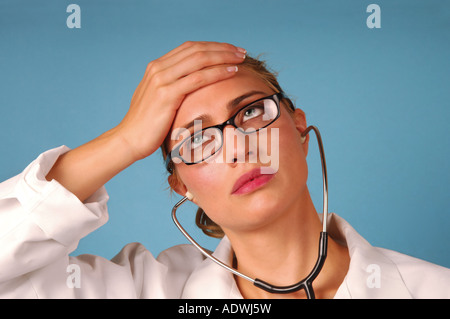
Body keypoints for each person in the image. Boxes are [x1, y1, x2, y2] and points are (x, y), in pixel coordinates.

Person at [0, 41, 448, 299]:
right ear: (182, 185)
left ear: (299, 128)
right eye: (196, 139)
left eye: (252, 113)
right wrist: (125, 140)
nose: (237, 147)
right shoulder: (146, 291)